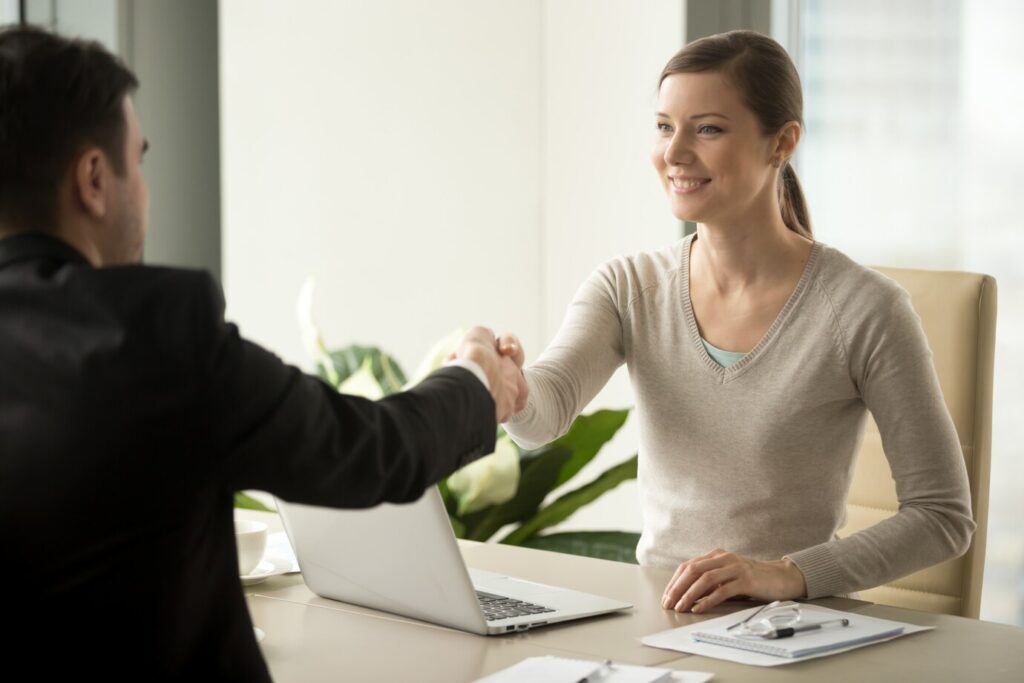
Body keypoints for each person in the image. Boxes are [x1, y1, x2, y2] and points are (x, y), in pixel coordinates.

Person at [0, 25, 526, 680]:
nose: (145, 193)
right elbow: (370, 451)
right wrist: (479, 379)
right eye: (139, 162)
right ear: (94, 178)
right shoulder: (155, 333)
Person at [500, 30, 975, 614]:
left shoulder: (865, 310)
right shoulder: (627, 287)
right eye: (663, 126)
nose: (673, 154)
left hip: (794, 630)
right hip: (661, 619)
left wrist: (784, 574)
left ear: (783, 142)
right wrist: (511, 386)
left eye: (707, 129)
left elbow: (942, 516)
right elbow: (541, 419)